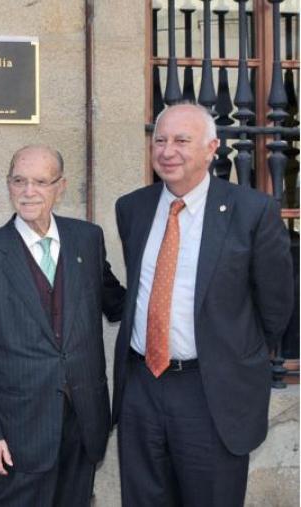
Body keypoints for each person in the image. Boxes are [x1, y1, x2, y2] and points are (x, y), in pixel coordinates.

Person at [113, 102, 294, 506]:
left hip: (211, 392)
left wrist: (233, 352)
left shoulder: (251, 211)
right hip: (141, 387)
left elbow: (277, 305)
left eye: (181, 140)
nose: (167, 150)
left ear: (212, 148)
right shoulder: (133, 208)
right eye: (160, 140)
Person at [0, 145, 125, 506]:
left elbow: (119, 303)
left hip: (83, 420)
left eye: (40, 182)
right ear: (8, 185)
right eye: (19, 181)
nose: (28, 191)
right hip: (19, 428)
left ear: (60, 187)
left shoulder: (88, 239)